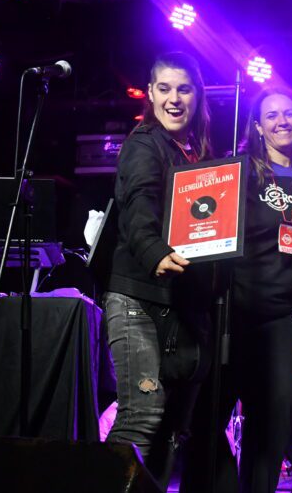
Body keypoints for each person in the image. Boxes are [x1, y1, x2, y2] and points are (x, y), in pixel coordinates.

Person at [182, 88, 292, 492]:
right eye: (271, 116)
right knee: (205, 423)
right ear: (257, 126)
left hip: (279, 321)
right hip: (230, 314)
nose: (282, 122)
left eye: (288, 114)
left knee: (273, 428)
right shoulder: (237, 172)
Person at [103, 51, 214, 486]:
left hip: (181, 306)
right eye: (164, 89)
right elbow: (138, 203)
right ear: (150, 93)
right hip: (136, 299)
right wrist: (153, 251)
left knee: (172, 429)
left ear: (197, 94)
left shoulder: (195, 153)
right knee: (143, 417)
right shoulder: (144, 143)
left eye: (183, 89)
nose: (174, 99)